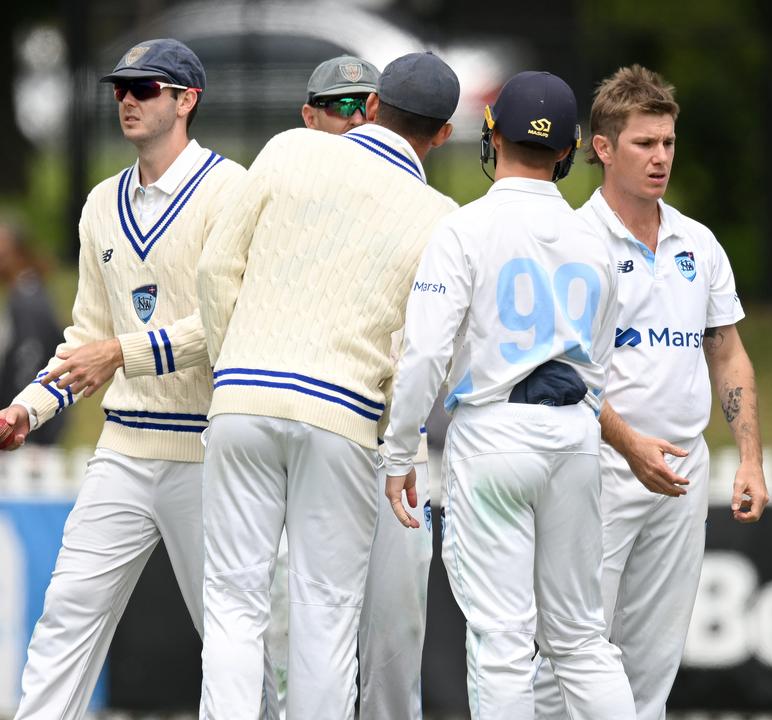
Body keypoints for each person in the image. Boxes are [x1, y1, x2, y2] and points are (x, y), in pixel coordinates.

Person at [0, 38, 275, 719]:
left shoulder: (232, 192)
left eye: (146, 88)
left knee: (236, 634)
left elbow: (230, 324)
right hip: (123, 450)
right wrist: (27, 410)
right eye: (121, 87)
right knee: (67, 615)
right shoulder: (100, 204)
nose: (127, 98)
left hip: (210, 451)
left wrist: (122, 353)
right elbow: (84, 338)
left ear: (187, 100)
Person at [195, 51, 459, 719]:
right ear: (444, 134)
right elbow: (427, 352)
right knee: (326, 614)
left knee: (232, 601)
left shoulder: (287, 150)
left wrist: (235, 367)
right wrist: (396, 444)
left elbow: (216, 271)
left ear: (372, 108)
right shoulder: (440, 216)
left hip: (243, 398)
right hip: (345, 418)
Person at [381, 70, 635, 720]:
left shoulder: (465, 229)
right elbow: (602, 366)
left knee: (502, 640)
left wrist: (399, 449)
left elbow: (426, 353)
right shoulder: (597, 241)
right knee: (579, 637)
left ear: (493, 137)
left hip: (493, 433)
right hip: (574, 435)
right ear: (571, 149)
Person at [529, 64, 767, 720]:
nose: (660, 158)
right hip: (597, 469)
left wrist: (749, 458)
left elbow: (728, 351)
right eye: (644, 143)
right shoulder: (574, 242)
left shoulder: (700, 242)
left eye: (667, 142)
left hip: (683, 471)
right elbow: (562, 373)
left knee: (653, 663)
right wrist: (631, 446)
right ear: (602, 148)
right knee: (571, 652)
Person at [284, 54, 435, 720]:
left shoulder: (420, 209)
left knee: (396, 643)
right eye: (336, 107)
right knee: (294, 635)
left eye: (363, 106)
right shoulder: (284, 201)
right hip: (307, 439)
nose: (351, 119)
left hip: (394, 452)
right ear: (308, 116)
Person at [0, 220, 68, 445]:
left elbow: (29, 361)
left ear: (17, 252)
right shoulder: (25, 294)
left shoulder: (27, 300)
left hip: (27, 432)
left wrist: (19, 416)